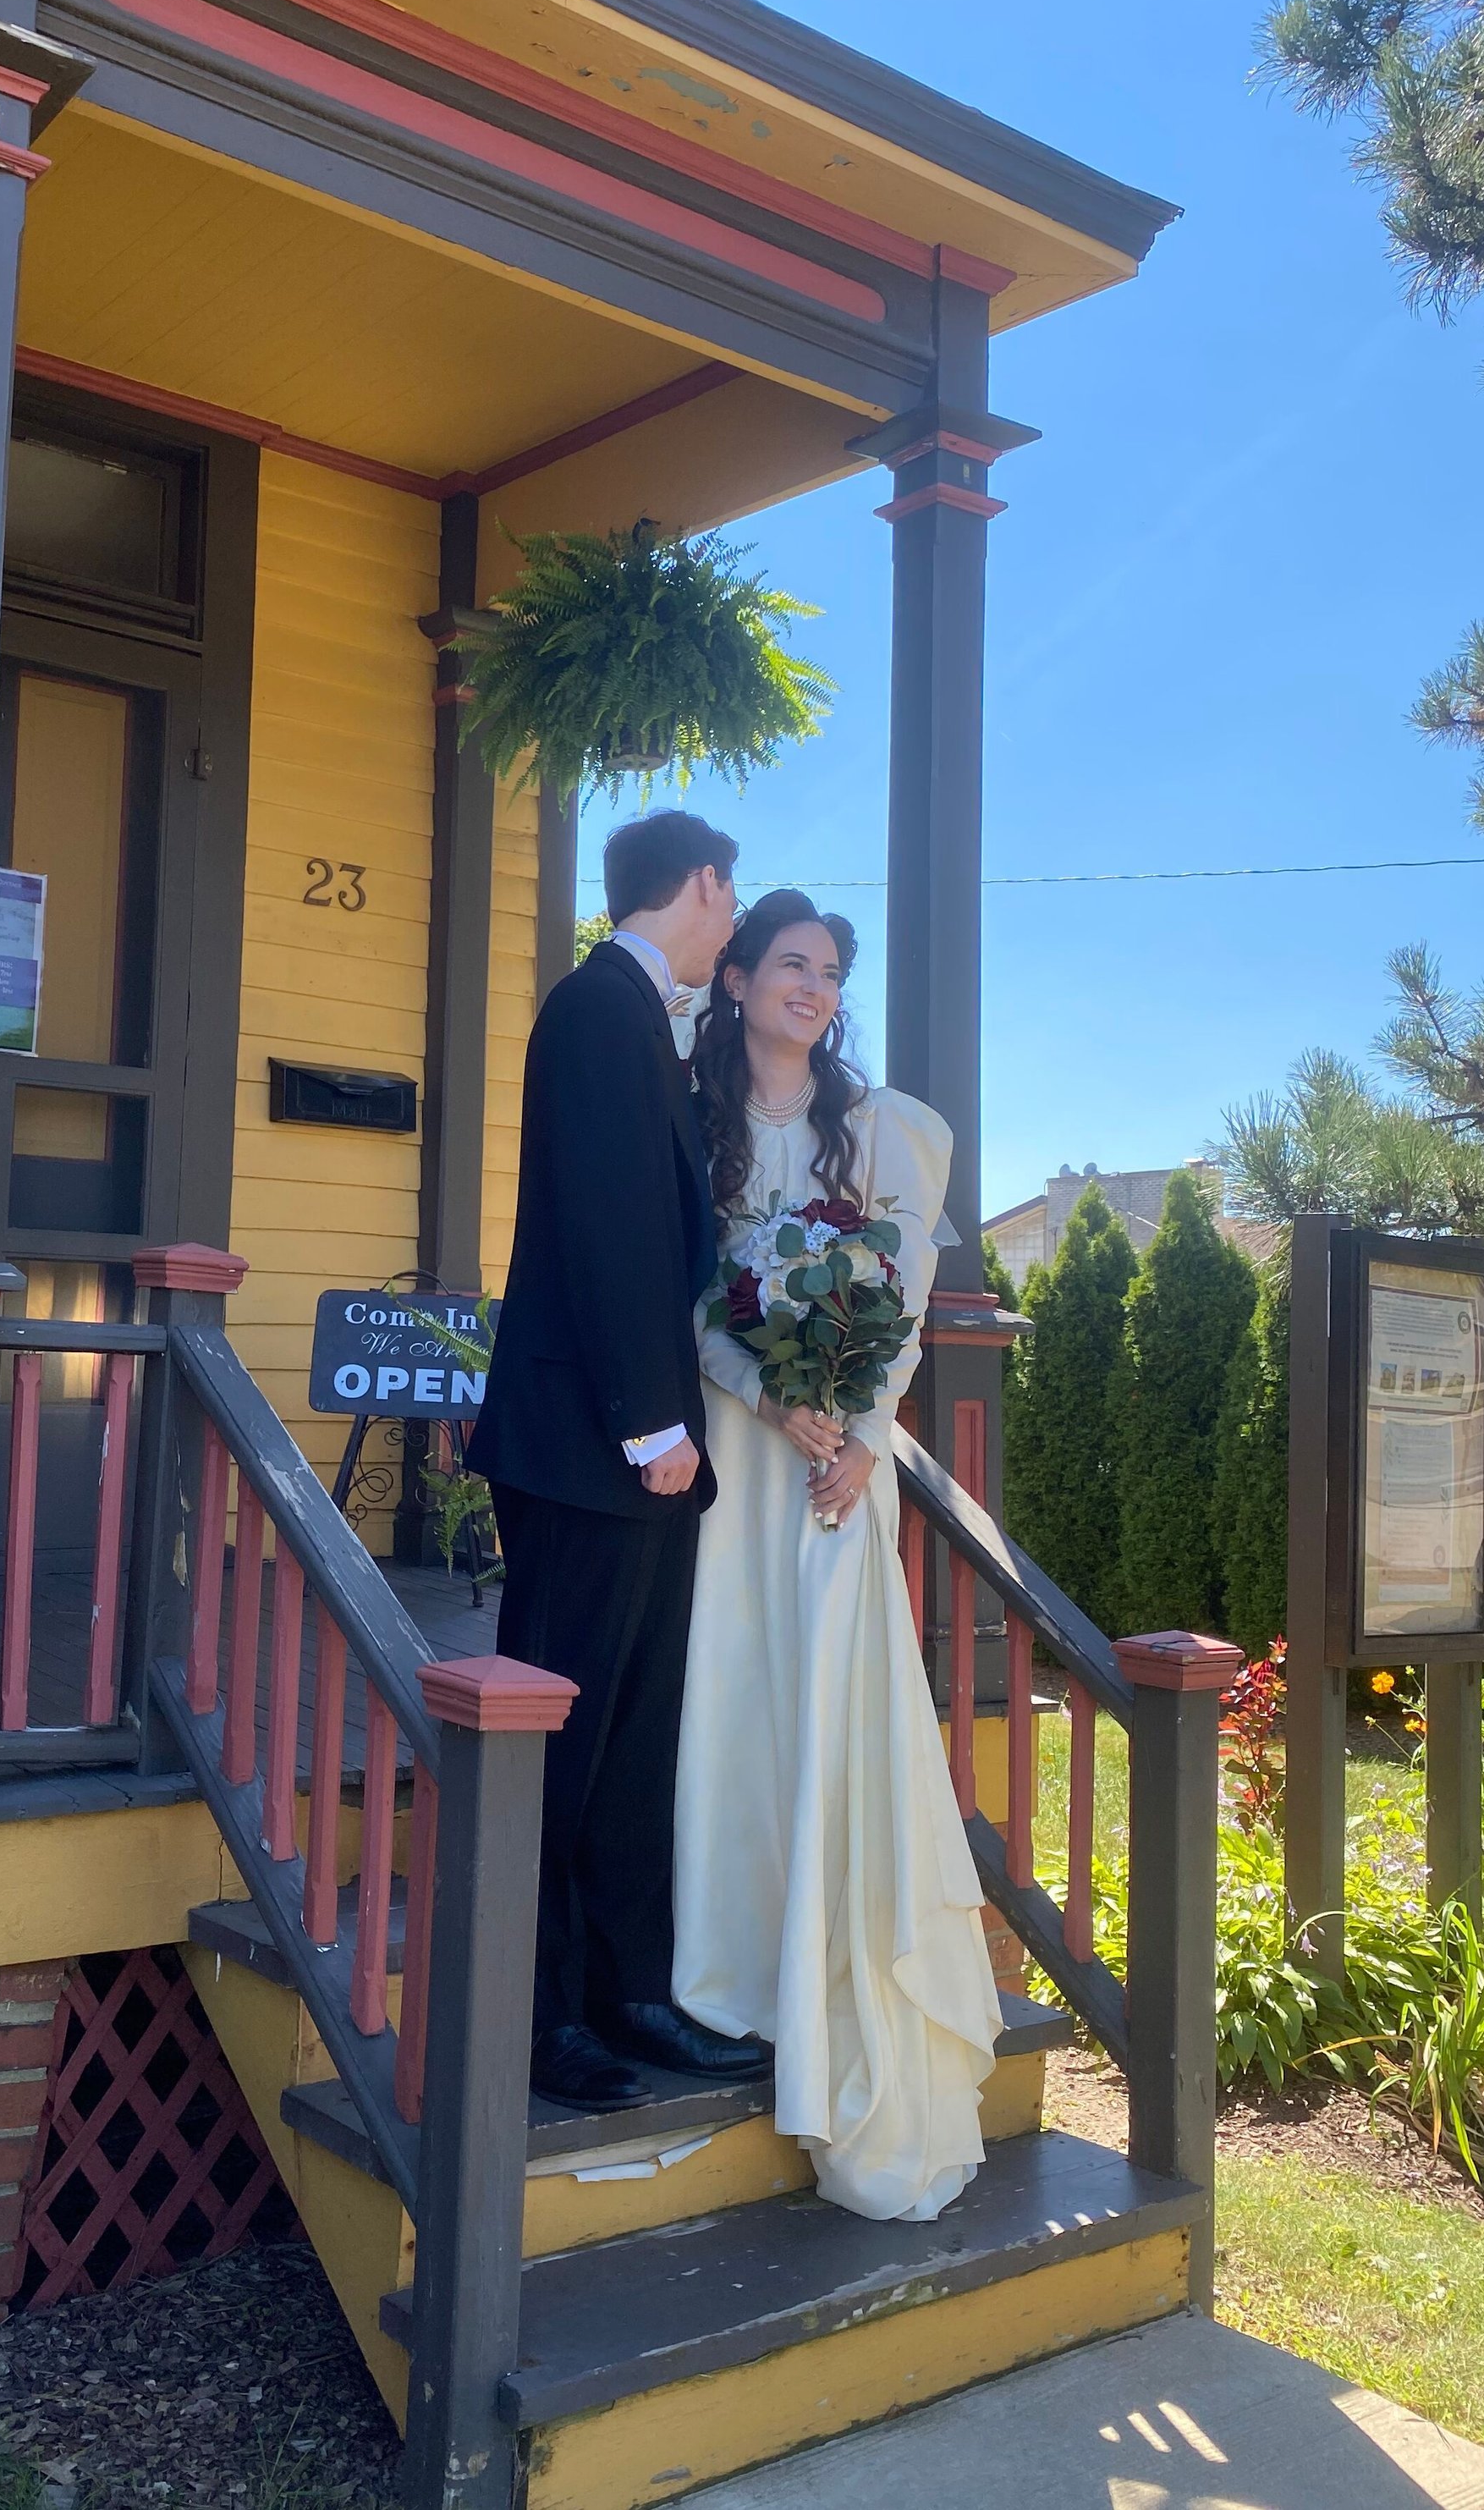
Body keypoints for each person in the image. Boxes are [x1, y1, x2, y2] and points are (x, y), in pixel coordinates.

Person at [672, 889, 1003, 2219]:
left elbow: (907, 1302)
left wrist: (862, 1434)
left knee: (827, 1697)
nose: (811, 987)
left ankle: (841, 1985)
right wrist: (757, 1385)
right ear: (738, 976)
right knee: (734, 1691)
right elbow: (683, 1292)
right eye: (789, 964)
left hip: (833, 1471)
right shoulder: (690, 1123)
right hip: (736, 1446)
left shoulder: (880, 1131)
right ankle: (735, 1971)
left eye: (830, 971)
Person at [469, 812, 774, 2115]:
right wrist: (654, 1423)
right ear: (700, 884)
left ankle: (629, 1993)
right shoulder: (596, 1007)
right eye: (731, 895)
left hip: (643, 1452)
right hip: (591, 1446)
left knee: (637, 1733)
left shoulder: (649, 1020)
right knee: (570, 1733)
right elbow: (600, 1225)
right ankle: (539, 2017)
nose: (734, 919)